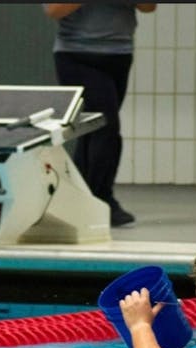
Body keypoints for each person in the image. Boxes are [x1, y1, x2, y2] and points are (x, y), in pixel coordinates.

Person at [44, 3, 156, 228]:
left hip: (119, 54)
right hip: (76, 55)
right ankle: (101, 199)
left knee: (92, 131)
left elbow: (149, 6)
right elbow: (54, 10)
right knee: (107, 127)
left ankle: (78, 199)